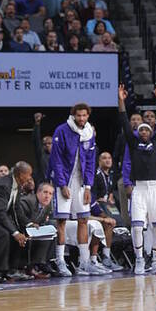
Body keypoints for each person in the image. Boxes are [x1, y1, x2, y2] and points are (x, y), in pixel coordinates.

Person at [119, 83, 156, 275]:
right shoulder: (133, 144)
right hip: (139, 188)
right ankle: (139, 260)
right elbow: (124, 121)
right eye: (140, 130)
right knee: (138, 226)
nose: (143, 132)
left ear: (151, 131)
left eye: (146, 130)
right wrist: (121, 101)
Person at [47, 102, 97, 277]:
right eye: (79, 115)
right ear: (73, 115)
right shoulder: (62, 130)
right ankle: (60, 261)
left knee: (83, 220)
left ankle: (84, 262)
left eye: (84, 115)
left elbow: (91, 161)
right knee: (61, 221)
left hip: (81, 181)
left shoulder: (89, 133)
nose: (81, 118)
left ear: (88, 116)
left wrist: (88, 186)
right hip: (64, 179)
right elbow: (56, 159)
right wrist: (62, 184)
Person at [32, 113, 53, 187]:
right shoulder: (41, 155)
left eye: (49, 143)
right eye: (44, 144)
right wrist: (37, 125)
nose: (47, 145)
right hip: (42, 185)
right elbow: (36, 140)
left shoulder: (58, 156)